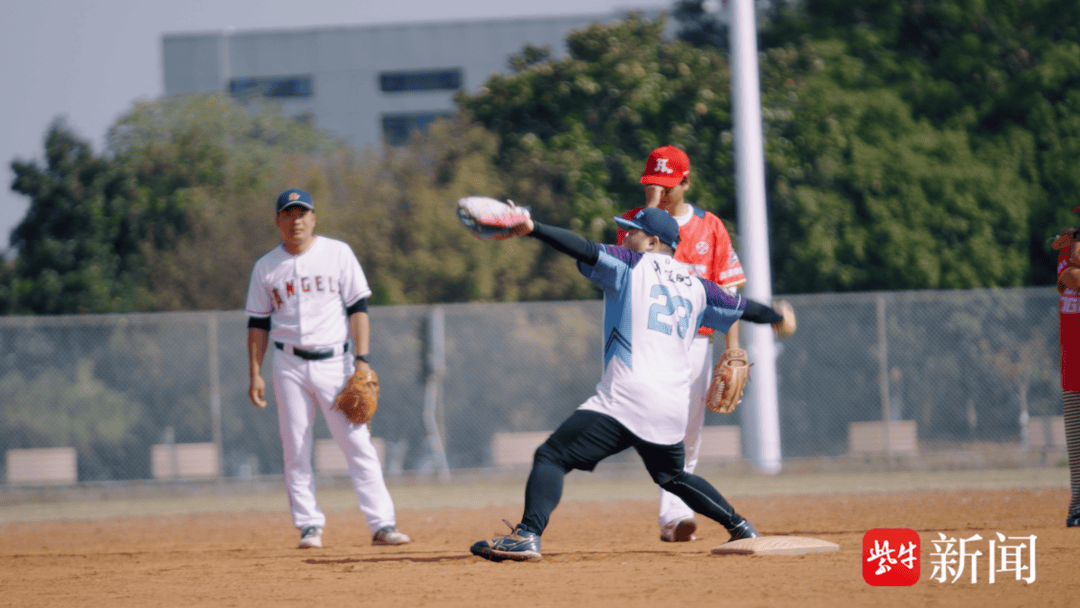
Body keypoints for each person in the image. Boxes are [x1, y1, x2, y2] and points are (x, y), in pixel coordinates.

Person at [469, 207, 792, 562]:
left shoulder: (631, 263)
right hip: (671, 404)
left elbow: (582, 248)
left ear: (653, 242)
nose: (624, 236)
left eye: (632, 231)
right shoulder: (699, 286)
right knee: (672, 475)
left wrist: (533, 228)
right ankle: (740, 527)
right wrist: (777, 317)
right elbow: (745, 307)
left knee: (552, 456)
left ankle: (528, 535)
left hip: (628, 396)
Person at [245, 188, 411, 549]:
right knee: (295, 446)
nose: (296, 219)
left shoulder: (337, 253)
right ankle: (309, 525)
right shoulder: (266, 267)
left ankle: (382, 524)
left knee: (357, 444)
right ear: (278, 221)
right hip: (287, 362)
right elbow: (257, 324)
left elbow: (358, 308)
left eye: (302, 212)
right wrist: (255, 372)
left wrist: (362, 360)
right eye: (288, 213)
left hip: (336, 363)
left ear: (314, 218)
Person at [615, 145, 746, 543]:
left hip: (696, 343)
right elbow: (624, 261)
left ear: (686, 182)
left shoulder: (710, 227)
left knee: (688, 430)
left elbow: (729, 290)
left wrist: (734, 348)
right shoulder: (635, 225)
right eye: (652, 184)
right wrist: (650, 208)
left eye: (667, 185)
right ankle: (675, 509)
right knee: (657, 424)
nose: (660, 192)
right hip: (650, 342)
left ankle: (674, 515)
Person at [1052, 221, 1080, 528]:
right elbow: (1071, 277)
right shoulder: (1069, 250)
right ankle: (1078, 505)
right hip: (1074, 348)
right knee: (1076, 428)